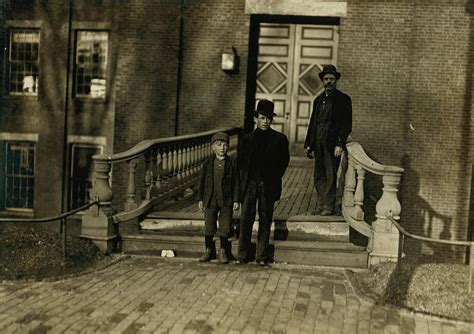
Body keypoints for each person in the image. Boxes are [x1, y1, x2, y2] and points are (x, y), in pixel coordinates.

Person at [237, 99, 290, 266]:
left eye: (268, 118)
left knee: (266, 220)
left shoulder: (279, 139)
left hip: (268, 184)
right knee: (246, 219)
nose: (265, 121)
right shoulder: (246, 140)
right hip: (250, 184)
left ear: (271, 120)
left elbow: (284, 162)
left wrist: (273, 177)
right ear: (256, 119)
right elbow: (241, 164)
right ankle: (242, 255)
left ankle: (261, 256)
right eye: (262, 118)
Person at [304, 64, 352, 216]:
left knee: (331, 174)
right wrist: (309, 144)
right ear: (322, 81)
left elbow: (346, 124)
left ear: (336, 80)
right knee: (319, 175)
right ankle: (321, 204)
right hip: (318, 143)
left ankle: (329, 206)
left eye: (332, 79)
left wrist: (340, 143)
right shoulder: (318, 100)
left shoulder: (343, 100)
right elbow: (313, 123)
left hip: (332, 145)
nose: (329, 81)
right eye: (326, 79)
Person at [197, 132, 240, 264]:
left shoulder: (232, 164)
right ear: (213, 147)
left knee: (225, 226)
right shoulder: (207, 164)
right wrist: (200, 199)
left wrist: (236, 200)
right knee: (209, 225)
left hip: (226, 200)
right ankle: (209, 250)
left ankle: (223, 251)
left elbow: (236, 183)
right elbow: (202, 183)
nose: (222, 148)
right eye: (219, 145)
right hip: (210, 199)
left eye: (225, 145)